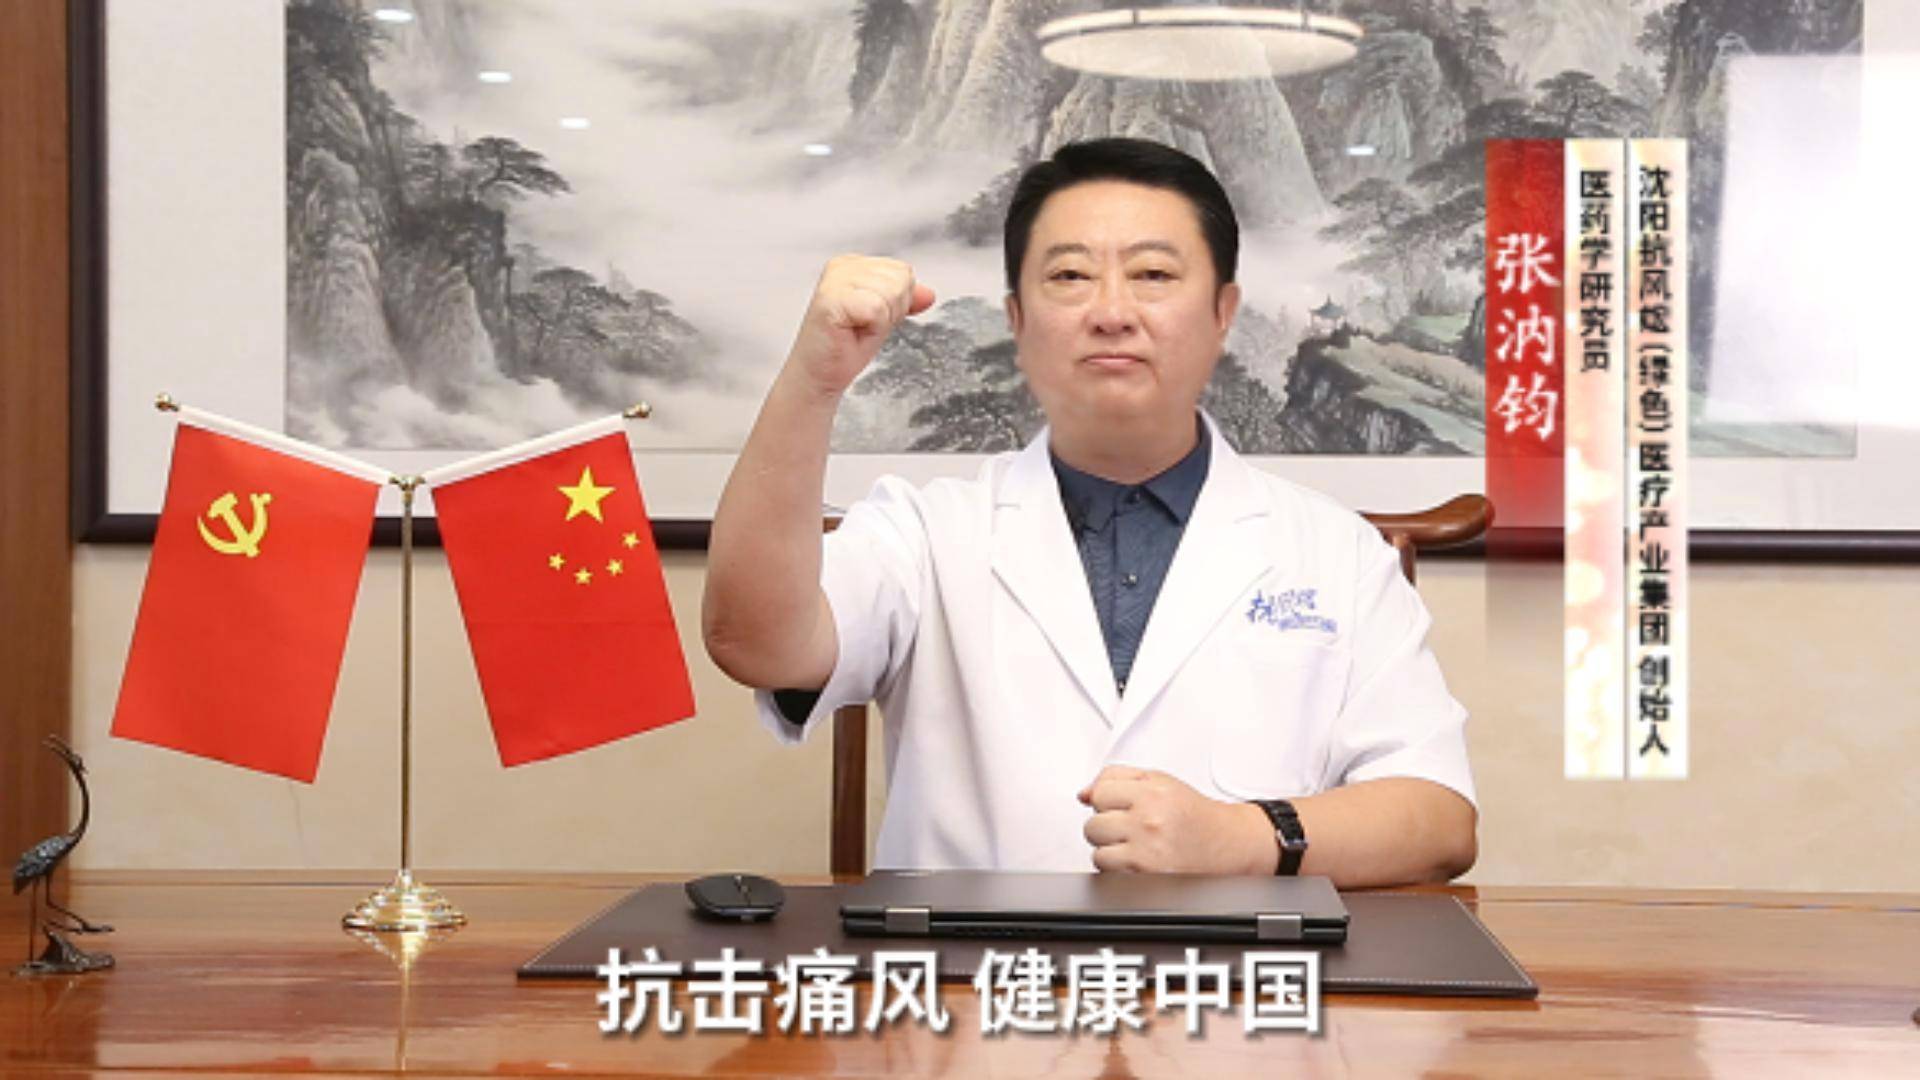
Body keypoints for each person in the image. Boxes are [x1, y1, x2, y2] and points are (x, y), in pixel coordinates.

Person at [703, 138, 1475, 886]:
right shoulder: (924, 534)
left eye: (1153, 274)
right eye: (1070, 275)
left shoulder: (1336, 551)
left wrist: (1242, 839)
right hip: (970, 971)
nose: (1111, 312)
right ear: (1017, 320)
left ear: (1223, 312)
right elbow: (755, 643)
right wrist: (813, 381)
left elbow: (1437, 816)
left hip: (1240, 972)